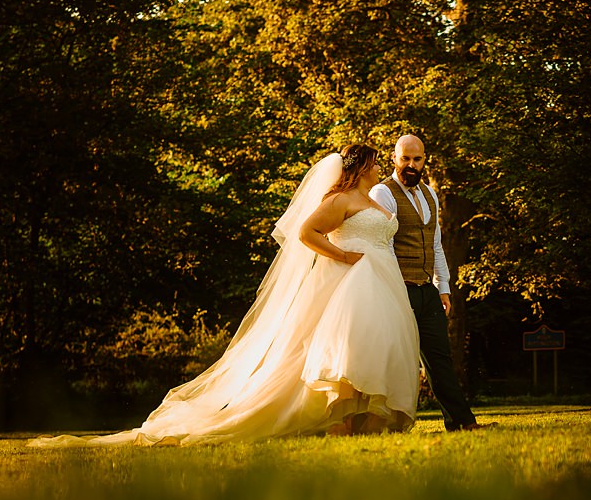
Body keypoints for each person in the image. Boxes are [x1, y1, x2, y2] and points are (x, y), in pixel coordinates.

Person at [32, 144, 420, 446]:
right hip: (349, 283)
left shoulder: (375, 201)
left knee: (379, 347)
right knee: (348, 352)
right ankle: (340, 423)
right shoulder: (340, 200)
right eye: (370, 162)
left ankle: (370, 422)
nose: (375, 167)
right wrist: (343, 255)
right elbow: (306, 233)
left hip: (382, 282)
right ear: (357, 167)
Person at [369, 134, 485, 432]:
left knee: (439, 357)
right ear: (394, 158)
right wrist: (391, 289)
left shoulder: (431, 195)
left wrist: (443, 287)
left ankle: (461, 422)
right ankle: (376, 421)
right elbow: (382, 247)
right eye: (405, 158)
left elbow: (435, 246)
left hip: (427, 290)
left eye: (416, 159)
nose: (410, 164)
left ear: (424, 159)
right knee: (391, 358)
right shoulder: (382, 193)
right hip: (397, 289)